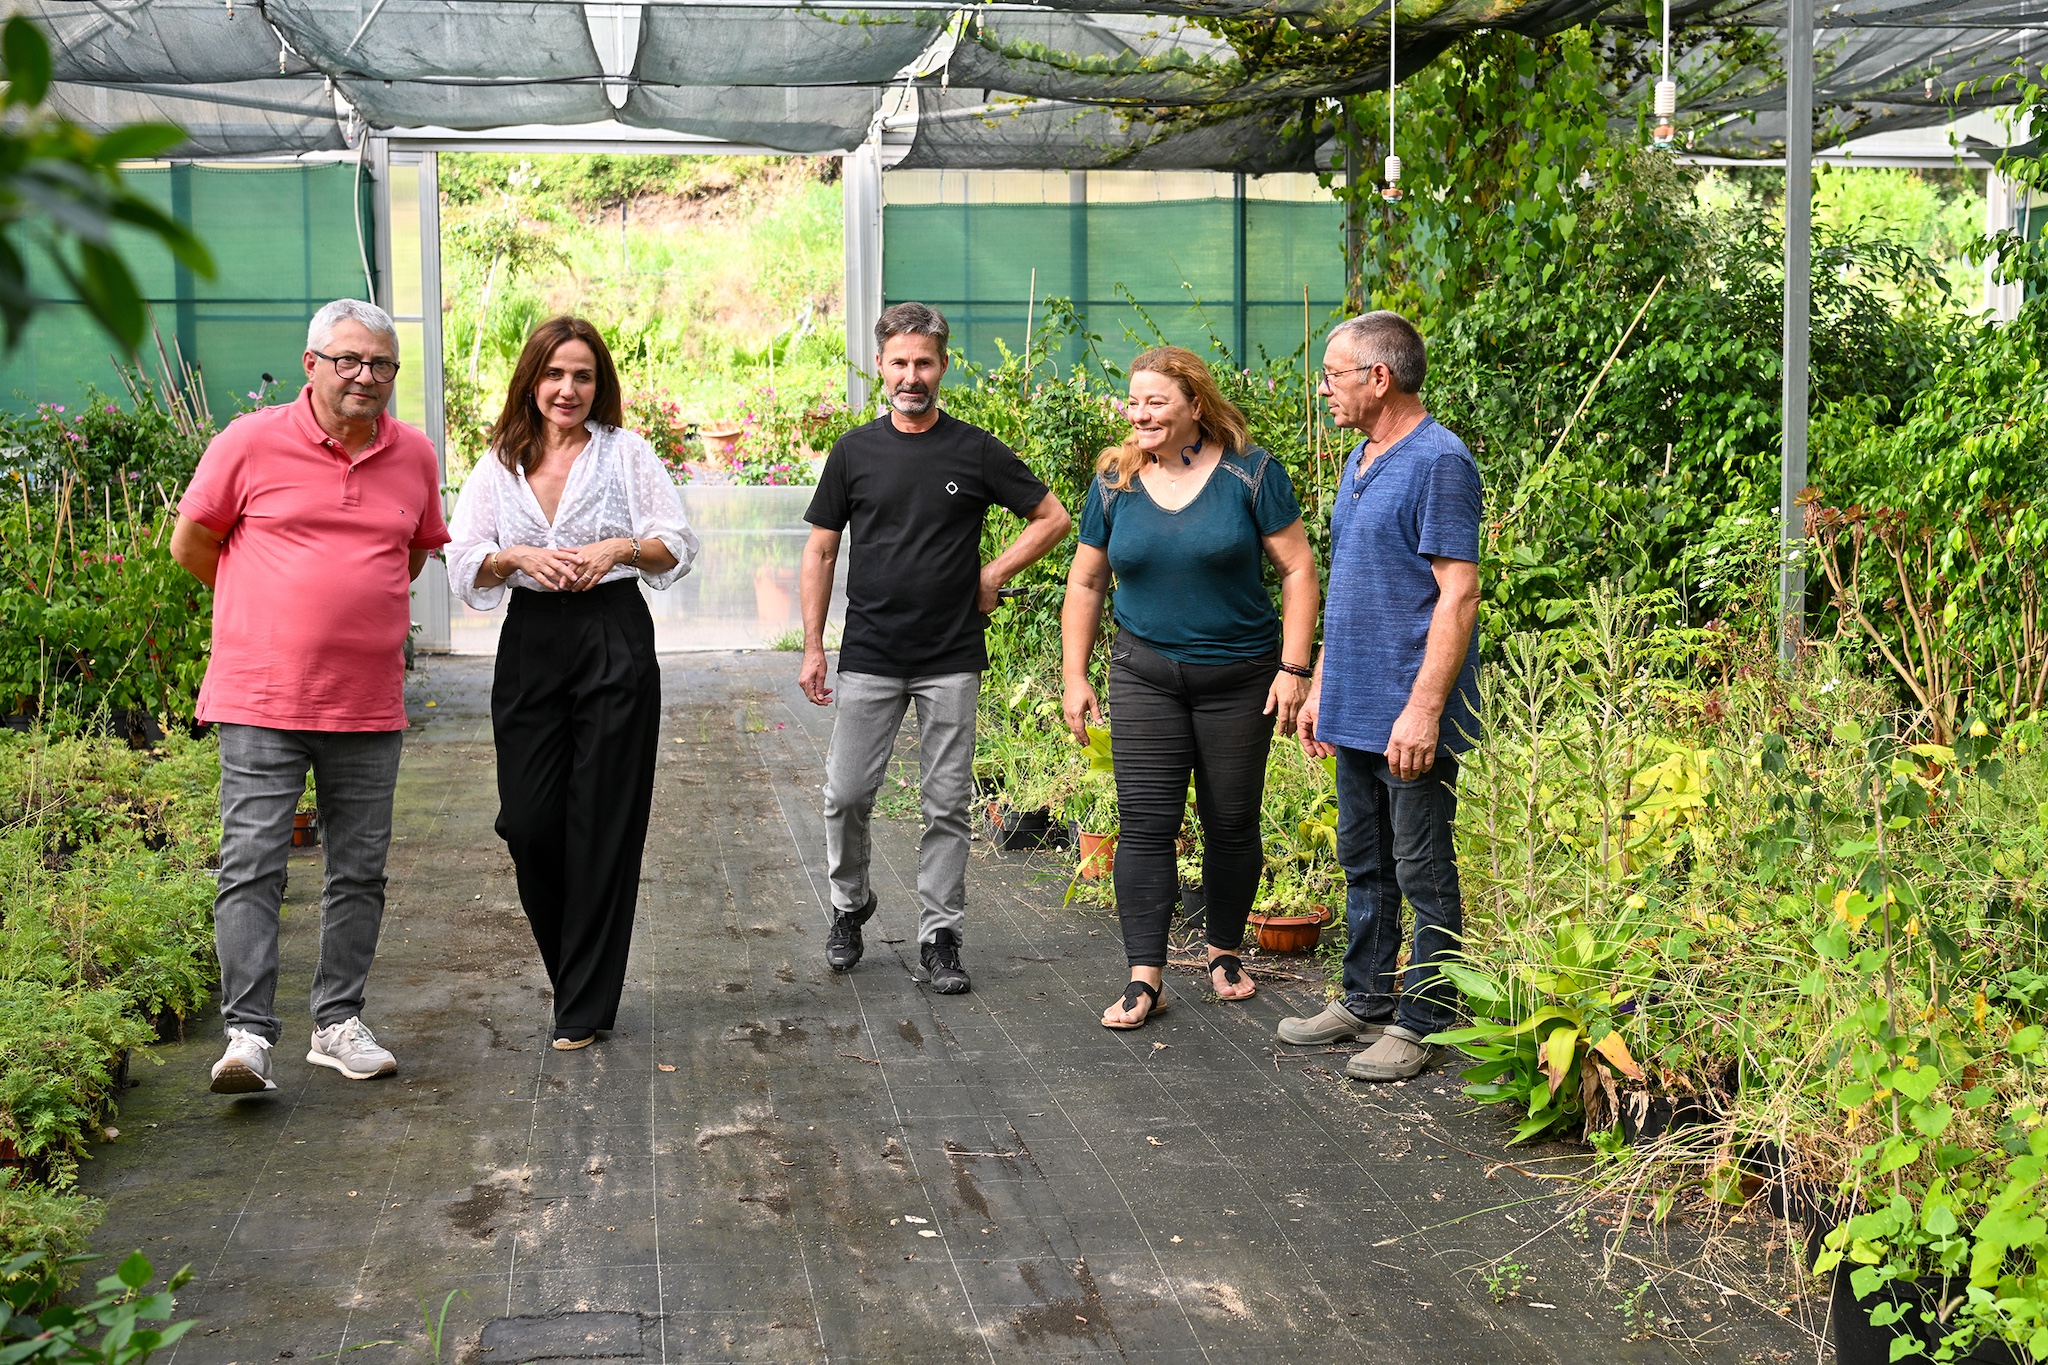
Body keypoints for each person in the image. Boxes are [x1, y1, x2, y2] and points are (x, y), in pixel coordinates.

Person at [170, 299, 449, 1095]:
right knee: (252, 865)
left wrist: (349, 613)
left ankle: (337, 1023)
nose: (367, 376)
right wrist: (267, 618)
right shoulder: (250, 441)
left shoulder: (415, 455)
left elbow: (416, 552)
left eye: (382, 365)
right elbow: (193, 542)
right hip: (261, 698)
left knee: (358, 869)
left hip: (365, 704)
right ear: (311, 364)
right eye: (349, 360)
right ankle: (248, 1035)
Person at [799, 302, 1071, 993]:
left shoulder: (973, 450)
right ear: (881, 367)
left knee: (945, 801)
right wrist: (812, 645)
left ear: (943, 365)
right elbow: (823, 549)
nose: (911, 375)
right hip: (870, 651)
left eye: (924, 362)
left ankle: (939, 936)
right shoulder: (855, 452)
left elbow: (1052, 517)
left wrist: (992, 574)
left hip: (951, 654)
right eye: (899, 362)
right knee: (846, 793)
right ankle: (849, 903)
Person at [445, 316, 698, 1051]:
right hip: (531, 640)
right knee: (528, 822)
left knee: (603, 820)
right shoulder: (500, 461)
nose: (568, 388)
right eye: (555, 373)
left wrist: (621, 546)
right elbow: (463, 555)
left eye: (583, 375)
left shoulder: (626, 453)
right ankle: (577, 976)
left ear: (600, 383)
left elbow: (676, 542)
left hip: (612, 632)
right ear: (532, 379)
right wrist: (515, 557)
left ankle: (581, 1004)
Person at [1060, 346, 1319, 1029]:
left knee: (1230, 820)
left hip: (1241, 676)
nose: (1140, 414)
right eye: (1134, 401)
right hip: (1146, 673)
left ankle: (1225, 951)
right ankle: (1145, 976)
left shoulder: (1251, 474)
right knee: (1146, 823)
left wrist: (1295, 669)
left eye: (1156, 402)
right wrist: (1073, 674)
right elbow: (1086, 582)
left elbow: (1297, 570)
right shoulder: (1114, 482)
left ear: (1194, 406)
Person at [1281, 311, 1483, 1083]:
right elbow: (1353, 587)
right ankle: (1365, 997)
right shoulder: (1364, 457)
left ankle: (1426, 1017)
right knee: (1363, 860)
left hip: (1408, 711)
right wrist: (1322, 687)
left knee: (1422, 866)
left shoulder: (1440, 462)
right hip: (1357, 702)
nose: (1323, 386)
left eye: (1333, 373)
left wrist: (1425, 707)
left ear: (1379, 377)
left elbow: (1457, 595)